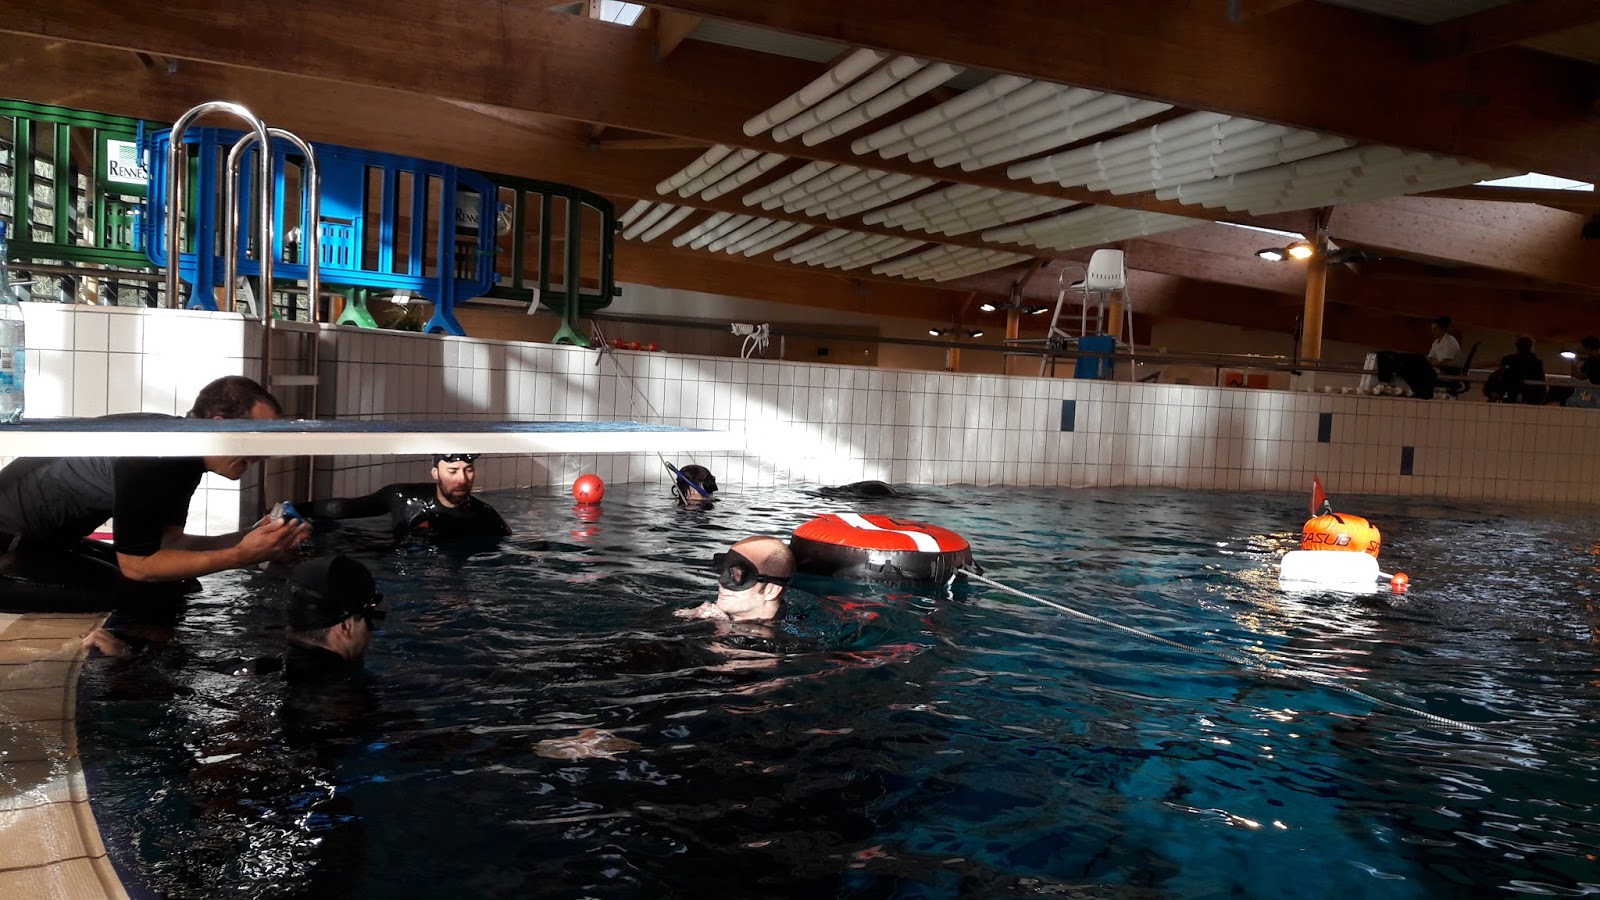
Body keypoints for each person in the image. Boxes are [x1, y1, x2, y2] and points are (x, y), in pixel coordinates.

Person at [0, 376, 309, 606]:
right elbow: (137, 567)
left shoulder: (183, 451)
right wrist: (239, 556)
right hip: (8, 551)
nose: (265, 452)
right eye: (258, 437)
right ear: (219, 424)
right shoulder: (158, 454)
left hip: (43, 545)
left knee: (178, 584)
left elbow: (168, 544)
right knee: (146, 594)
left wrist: (252, 538)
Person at [219, 554, 384, 677]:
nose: (371, 632)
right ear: (345, 627)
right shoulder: (349, 693)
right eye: (368, 619)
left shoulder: (247, 668)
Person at [297, 454, 511, 542]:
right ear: (435, 473)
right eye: (453, 471)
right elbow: (346, 508)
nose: (462, 479)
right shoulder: (403, 497)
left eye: (469, 470)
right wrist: (295, 509)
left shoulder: (484, 515)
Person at [675, 535, 795, 625]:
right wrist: (686, 616)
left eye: (737, 575)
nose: (721, 582)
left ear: (771, 590)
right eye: (723, 570)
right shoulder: (705, 613)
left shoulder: (782, 641)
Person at [1373, 316, 1458, 399]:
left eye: (1435, 329)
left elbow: (1445, 363)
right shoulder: (1436, 342)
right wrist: (1431, 362)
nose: (1433, 332)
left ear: (1443, 329)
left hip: (1444, 372)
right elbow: (1430, 359)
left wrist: (1433, 363)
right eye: (1432, 329)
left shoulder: (1450, 341)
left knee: (1417, 361)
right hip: (1434, 368)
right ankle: (1386, 377)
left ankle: (1416, 388)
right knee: (1409, 361)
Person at [1484, 335, 1546, 404]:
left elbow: (1495, 364)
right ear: (1531, 347)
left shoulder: (1512, 359)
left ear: (1517, 347)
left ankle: (1494, 396)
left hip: (1513, 392)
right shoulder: (1537, 362)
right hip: (1532, 395)